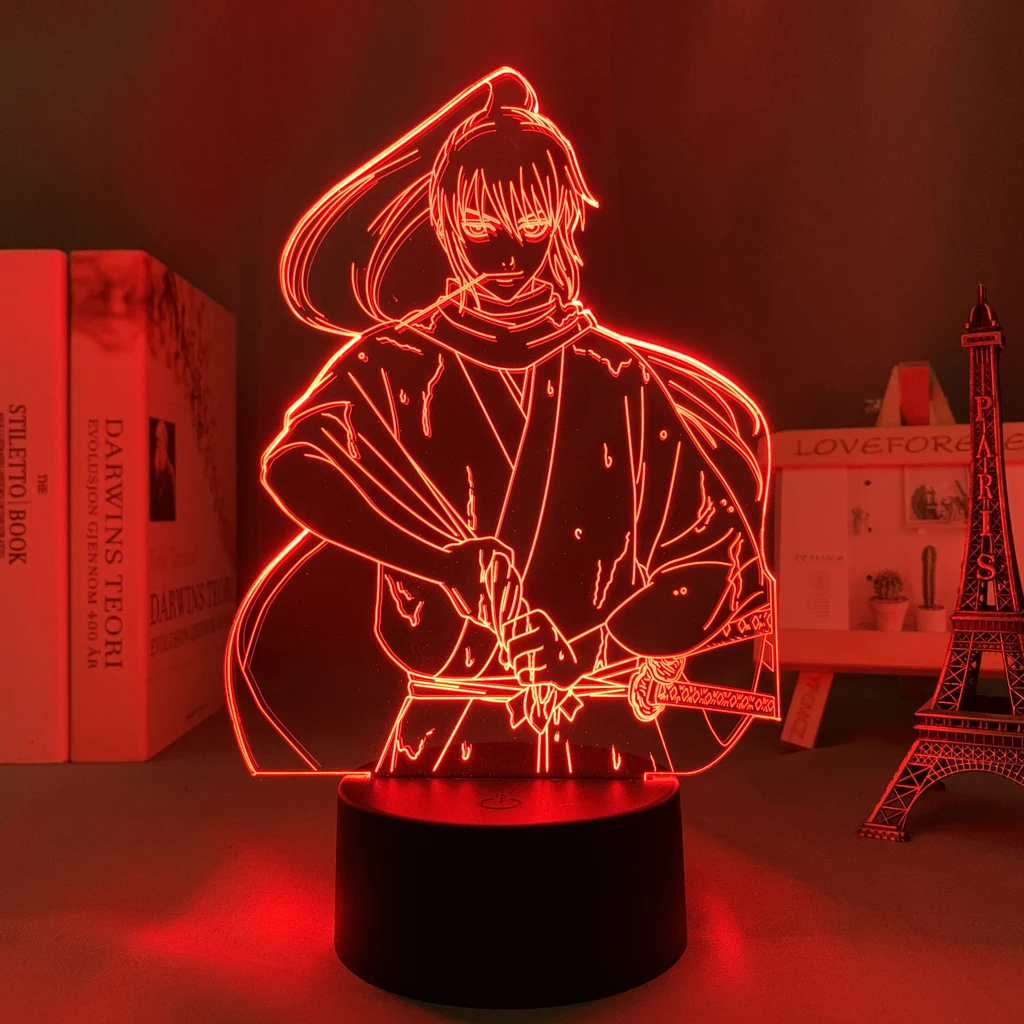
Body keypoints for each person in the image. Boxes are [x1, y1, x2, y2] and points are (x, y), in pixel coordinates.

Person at [227, 68, 778, 776]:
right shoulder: (396, 360)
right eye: (482, 228)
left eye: (532, 226)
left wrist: (597, 641)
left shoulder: (616, 375)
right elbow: (297, 463)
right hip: (439, 727)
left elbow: (710, 553)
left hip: (600, 723)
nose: (509, 254)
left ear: (564, 221)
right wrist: (442, 559)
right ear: (446, 222)